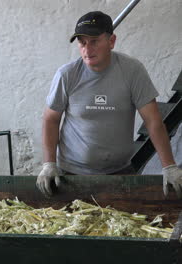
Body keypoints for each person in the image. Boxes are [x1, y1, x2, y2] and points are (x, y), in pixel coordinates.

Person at [36, 11, 182, 198]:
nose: (87, 51)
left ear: (111, 41)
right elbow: (51, 119)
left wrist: (169, 166)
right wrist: (49, 165)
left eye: (94, 41)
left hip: (120, 172)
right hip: (71, 175)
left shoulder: (132, 71)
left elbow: (153, 121)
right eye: (82, 42)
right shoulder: (67, 75)